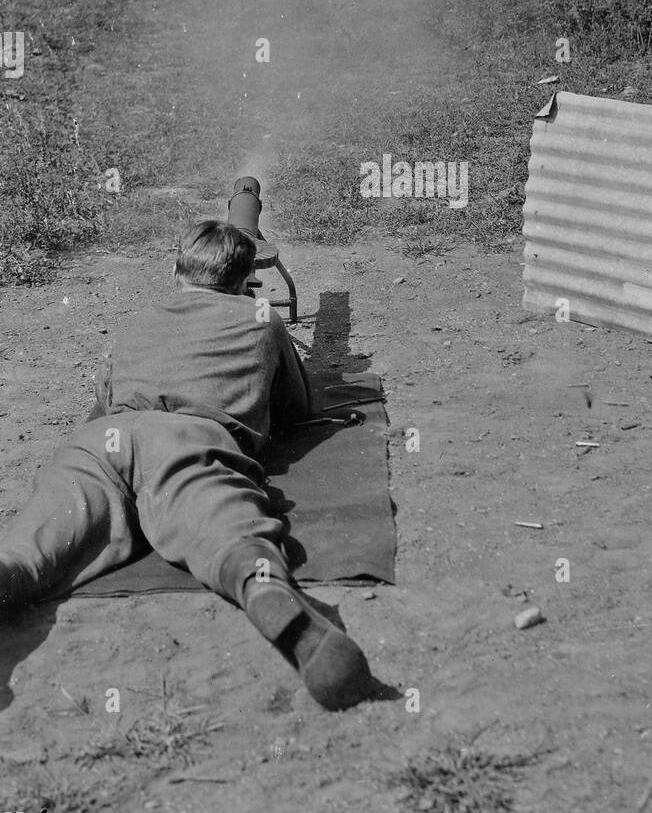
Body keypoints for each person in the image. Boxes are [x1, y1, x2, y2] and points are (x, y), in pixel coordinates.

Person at [0, 221, 374, 711]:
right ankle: (264, 593)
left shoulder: (138, 320)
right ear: (245, 281)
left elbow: (104, 399)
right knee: (225, 529)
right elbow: (295, 410)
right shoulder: (262, 316)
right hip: (188, 438)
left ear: (175, 270)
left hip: (103, 440)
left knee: (34, 541)